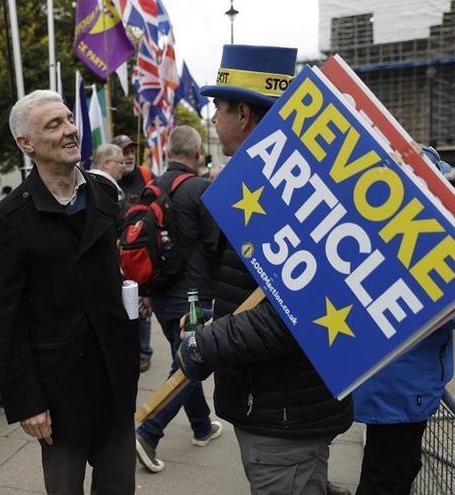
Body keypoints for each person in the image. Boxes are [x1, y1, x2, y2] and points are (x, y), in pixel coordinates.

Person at [176, 45, 354, 494]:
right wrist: (217, 322)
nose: (212, 117)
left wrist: (206, 343)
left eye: (218, 107)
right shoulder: (269, 179)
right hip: (278, 408)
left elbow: (296, 314)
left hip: (285, 415)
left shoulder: (285, 190)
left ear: (242, 113)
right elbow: (265, 293)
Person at [0, 90, 139, 494]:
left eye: (69, 119)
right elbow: (4, 319)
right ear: (26, 144)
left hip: (114, 382)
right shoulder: (8, 219)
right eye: (54, 124)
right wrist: (26, 402)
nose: (71, 130)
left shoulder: (104, 194)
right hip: (59, 394)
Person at [351, 146, 455, 495]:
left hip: (371, 376)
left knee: (379, 468)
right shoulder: (424, 237)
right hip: (402, 391)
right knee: (389, 477)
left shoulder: (371, 223)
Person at [134, 125, 224, 473]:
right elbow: (218, 245)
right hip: (195, 298)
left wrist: (144, 290)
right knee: (191, 365)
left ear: (169, 150)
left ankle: (202, 426)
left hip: (160, 297)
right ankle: (148, 432)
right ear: (197, 153)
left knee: (184, 360)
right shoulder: (201, 190)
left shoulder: (151, 188)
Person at [113, 134, 155, 372]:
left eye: (131, 152)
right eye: (124, 152)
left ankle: (143, 352)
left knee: (141, 303)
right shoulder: (112, 179)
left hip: (139, 252)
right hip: (117, 253)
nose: (128, 156)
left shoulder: (146, 175)